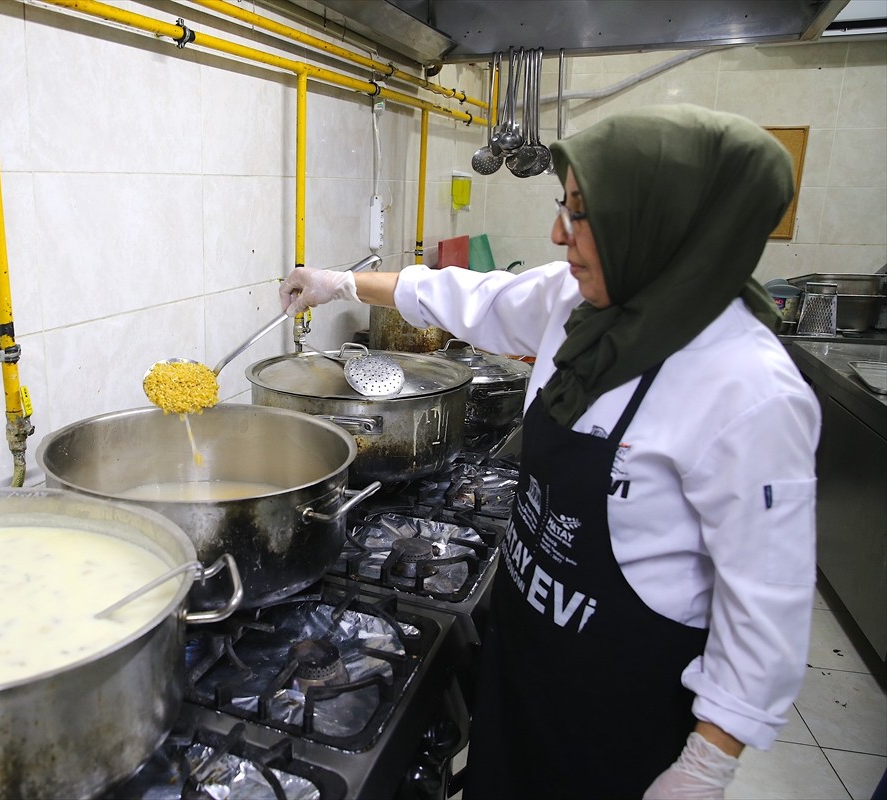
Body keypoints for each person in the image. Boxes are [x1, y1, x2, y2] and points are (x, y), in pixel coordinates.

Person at [280, 104, 820, 799]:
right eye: (564, 205)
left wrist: (707, 764)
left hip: (622, 703)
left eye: (583, 214)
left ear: (664, 222)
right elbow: (473, 296)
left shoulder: (750, 391)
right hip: (528, 653)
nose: (557, 233)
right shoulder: (583, 301)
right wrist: (342, 283)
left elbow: (767, 609)